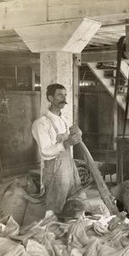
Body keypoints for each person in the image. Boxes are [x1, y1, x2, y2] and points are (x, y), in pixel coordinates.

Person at [31, 83, 87, 219]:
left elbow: (72, 141)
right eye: (59, 95)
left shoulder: (64, 120)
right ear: (50, 98)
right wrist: (67, 143)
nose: (64, 98)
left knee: (77, 201)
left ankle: (74, 230)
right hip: (55, 169)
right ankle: (50, 231)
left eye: (65, 94)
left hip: (69, 166)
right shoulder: (41, 123)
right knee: (55, 207)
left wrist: (78, 134)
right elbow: (45, 151)